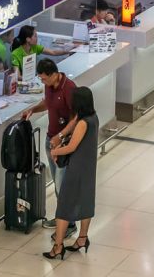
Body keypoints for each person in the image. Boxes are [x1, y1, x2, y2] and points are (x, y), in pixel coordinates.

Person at [23, 59, 78, 238]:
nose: (43, 82)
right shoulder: (49, 87)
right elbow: (47, 103)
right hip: (50, 140)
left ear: (54, 74)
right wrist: (32, 110)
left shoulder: (69, 88)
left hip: (64, 143)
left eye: (45, 79)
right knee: (56, 182)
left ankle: (69, 223)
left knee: (63, 185)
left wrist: (61, 138)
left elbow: (75, 118)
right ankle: (61, 217)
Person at [43, 86, 99, 260]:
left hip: (76, 168)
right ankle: (82, 238)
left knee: (64, 205)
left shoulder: (82, 123)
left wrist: (55, 152)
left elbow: (72, 147)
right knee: (85, 200)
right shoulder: (93, 118)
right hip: (89, 166)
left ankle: (58, 247)